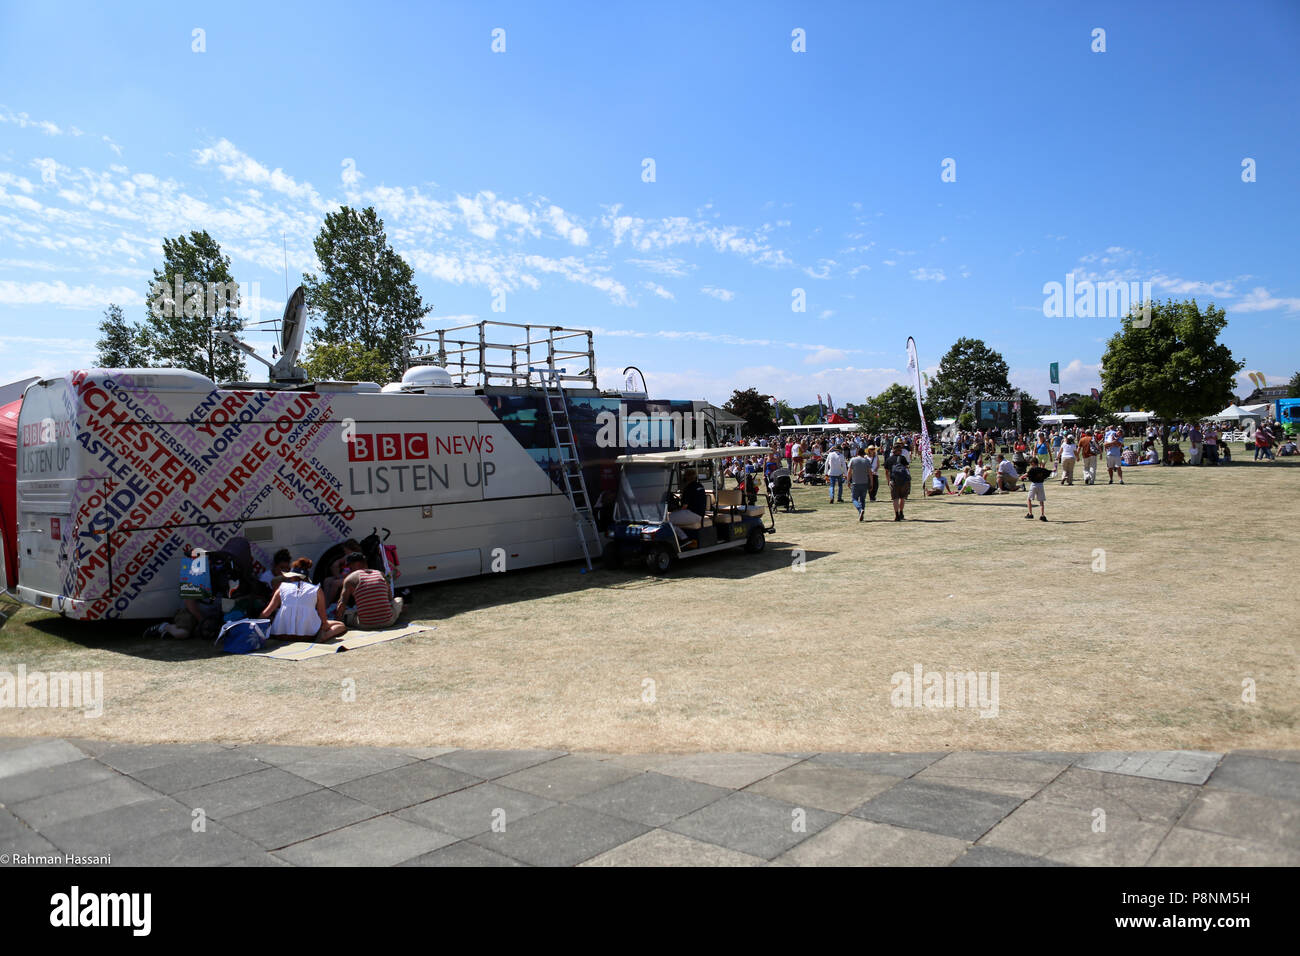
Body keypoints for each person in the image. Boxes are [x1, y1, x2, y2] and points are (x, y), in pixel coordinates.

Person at [261, 557, 347, 642]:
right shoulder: (316, 589)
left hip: (281, 634)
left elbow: (266, 613)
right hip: (308, 636)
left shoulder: (282, 588)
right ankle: (323, 637)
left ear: (292, 576)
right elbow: (323, 618)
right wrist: (324, 626)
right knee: (340, 625)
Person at [338, 552, 404, 630]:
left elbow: (341, 604)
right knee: (398, 600)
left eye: (350, 566)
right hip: (388, 621)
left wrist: (338, 619)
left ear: (357, 564)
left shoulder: (350, 579)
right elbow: (390, 598)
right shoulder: (380, 574)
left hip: (365, 624)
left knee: (347, 614)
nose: (349, 569)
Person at [884, 441, 910, 521]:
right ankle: (901, 512)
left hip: (893, 480)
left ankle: (896, 515)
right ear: (899, 451)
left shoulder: (889, 459)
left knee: (895, 499)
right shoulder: (902, 458)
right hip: (904, 481)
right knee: (902, 498)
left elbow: (886, 472)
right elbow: (907, 468)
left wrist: (888, 481)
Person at [848, 446, 872, 521]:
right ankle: (861, 513)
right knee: (862, 499)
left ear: (857, 453)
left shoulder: (853, 460)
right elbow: (870, 473)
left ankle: (859, 509)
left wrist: (848, 481)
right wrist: (872, 482)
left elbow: (849, 472)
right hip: (864, 482)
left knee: (854, 498)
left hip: (855, 482)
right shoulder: (867, 461)